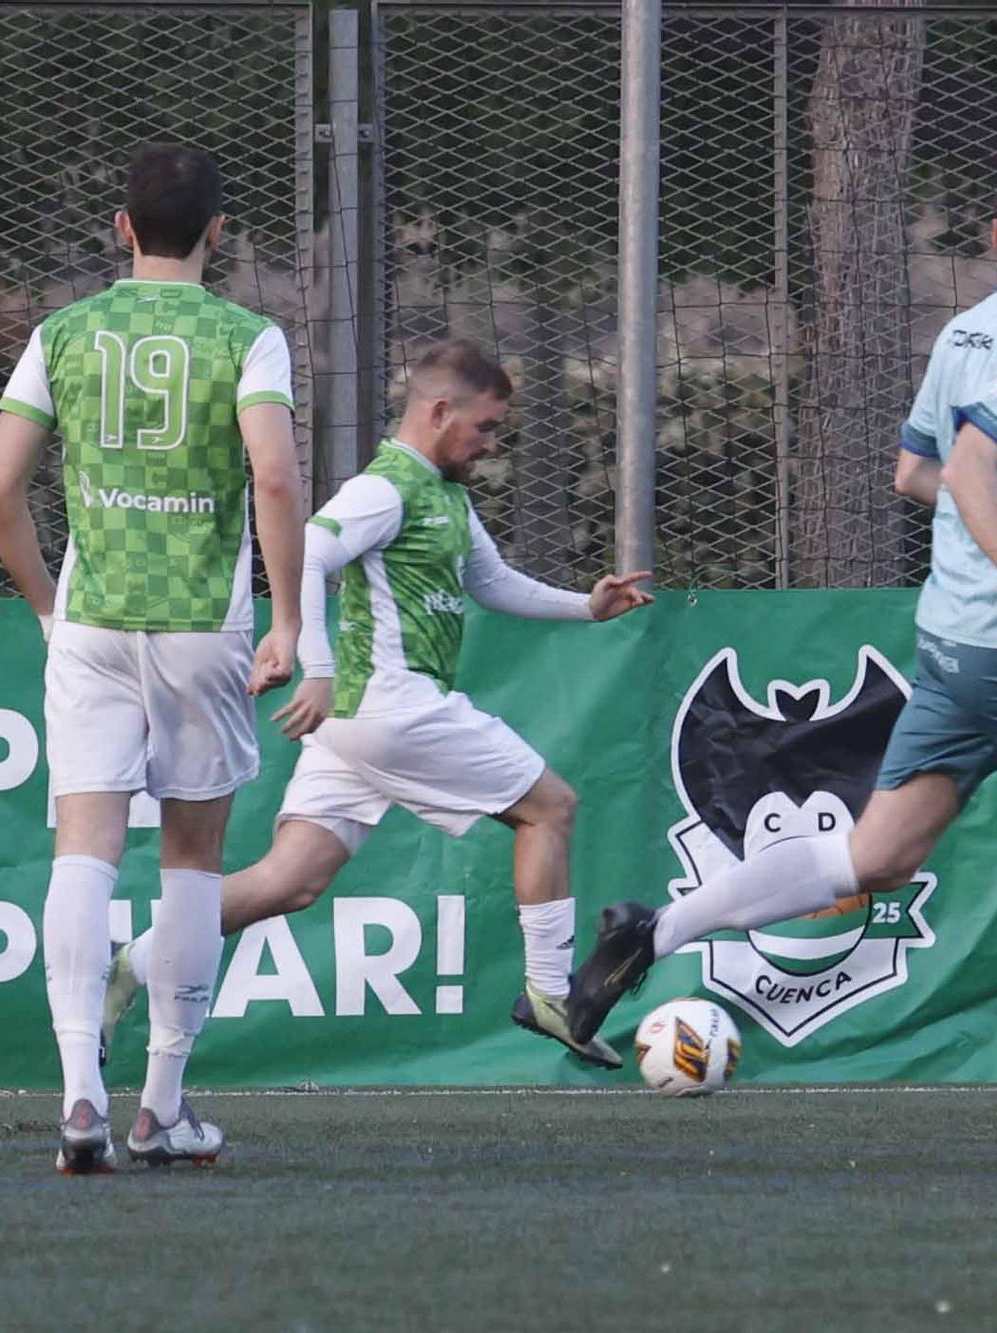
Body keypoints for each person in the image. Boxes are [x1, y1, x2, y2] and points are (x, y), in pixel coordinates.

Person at [568, 151, 997, 1150]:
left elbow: (913, 473)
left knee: (874, 853)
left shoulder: (965, 327)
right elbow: (973, 465)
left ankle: (653, 929)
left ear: (994, 239)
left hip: (948, 640)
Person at [103, 339, 653, 1071]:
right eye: (485, 427)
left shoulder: (444, 493)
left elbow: (493, 582)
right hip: (393, 705)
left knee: (287, 881)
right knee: (550, 807)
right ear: (438, 411)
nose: (491, 444)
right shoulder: (386, 487)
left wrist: (588, 606)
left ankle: (129, 964)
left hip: (360, 725)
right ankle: (552, 993)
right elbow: (308, 551)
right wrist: (315, 663)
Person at [0, 143, 306, 1173]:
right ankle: (160, 1102)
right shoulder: (250, 337)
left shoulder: (61, 333)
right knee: (192, 864)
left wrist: (46, 607)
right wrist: (287, 619)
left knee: (84, 849)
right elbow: (276, 480)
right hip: (201, 626)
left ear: (121, 230)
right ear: (220, 231)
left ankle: (77, 1095)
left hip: (92, 621)